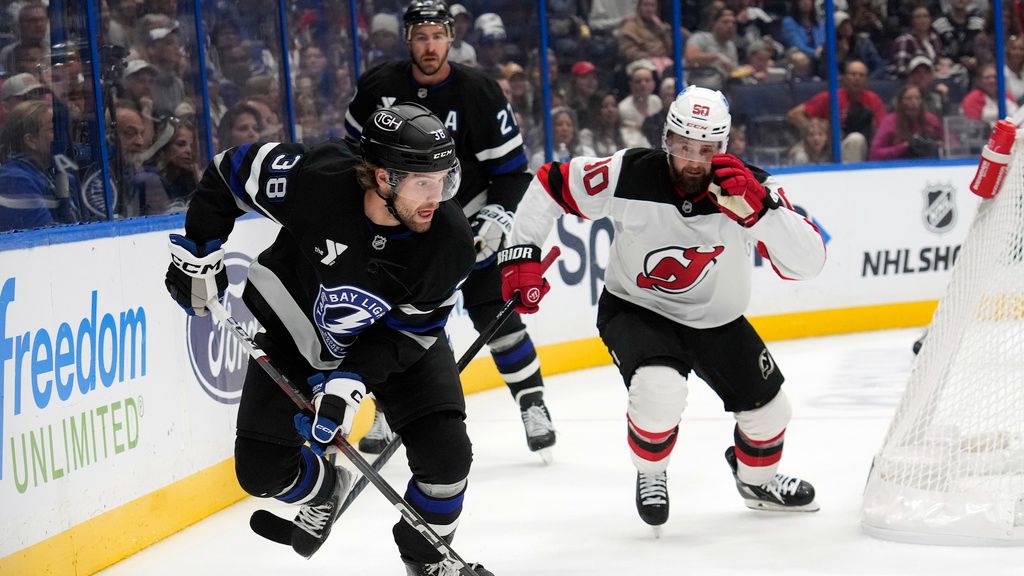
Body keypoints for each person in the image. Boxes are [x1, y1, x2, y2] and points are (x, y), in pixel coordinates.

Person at [164, 103, 494, 575]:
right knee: (259, 473)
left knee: (448, 457)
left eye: (444, 179)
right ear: (383, 177)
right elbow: (228, 173)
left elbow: (413, 330)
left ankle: (426, 559)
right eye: (423, 182)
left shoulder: (449, 241)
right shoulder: (313, 180)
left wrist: (350, 381)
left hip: (397, 346)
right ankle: (322, 488)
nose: (436, 196)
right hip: (298, 333)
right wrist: (200, 252)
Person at [496, 85, 825, 530]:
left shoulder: (750, 188)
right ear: (667, 139)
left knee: (771, 413)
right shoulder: (627, 172)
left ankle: (757, 482)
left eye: (706, 149)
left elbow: (809, 262)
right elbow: (551, 184)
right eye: (684, 146)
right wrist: (520, 255)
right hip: (638, 309)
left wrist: (760, 212)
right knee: (658, 393)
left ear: (724, 148)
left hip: (718, 321)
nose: (693, 160)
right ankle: (651, 472)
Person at [344, 0, 557, 460]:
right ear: (407, 39)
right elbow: (353, 161)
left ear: (451, 38)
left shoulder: (478, 90)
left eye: (437, 36)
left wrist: (499, 215)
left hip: (467, 224)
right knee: (390, 322)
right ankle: (385, 409)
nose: (429, 45)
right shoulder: (378, 87)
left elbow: (513, 171)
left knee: (492, 312)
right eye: (421, 37)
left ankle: (532, 402)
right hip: (403, 224)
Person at [0, 100, 78, 232]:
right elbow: (48, 239)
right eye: (53, 130)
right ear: (30, 140)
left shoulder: (56, 174)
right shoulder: (15, 180)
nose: (62, 137)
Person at [787, 60, 884, 162]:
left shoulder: (873, 100)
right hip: (825, 146)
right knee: (799, 155)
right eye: (853, 74)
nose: (857, 78)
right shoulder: (831, 97)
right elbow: (794, 114)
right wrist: (815, 132)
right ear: (844, 78)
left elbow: (881, 129)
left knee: (856, 139)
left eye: (861, 75)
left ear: (867, 80)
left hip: (851, 147)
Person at [869, 83, 944, 160]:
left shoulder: (931, 120)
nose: (914, 103)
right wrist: (904, 147)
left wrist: (936, 145)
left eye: (917, 98)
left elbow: (949, 145)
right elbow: (875, 154)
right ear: (900, 102)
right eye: (908, 99)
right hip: (899, 166)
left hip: (928, 164)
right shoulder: (890, 121)